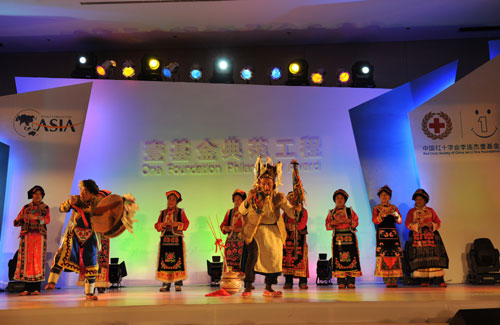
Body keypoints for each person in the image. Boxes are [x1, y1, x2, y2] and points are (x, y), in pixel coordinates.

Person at [238, 157, 294, 297]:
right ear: (259, 184)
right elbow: (241, 211)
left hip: (274, 232)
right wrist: (247, 201)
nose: (266, 187)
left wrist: (296, 208)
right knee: (253, 256)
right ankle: (248, 286)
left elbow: (291, 213)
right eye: (263, 184)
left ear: (273, 184)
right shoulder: (254, 196)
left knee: (274, 257)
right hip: (255, 231)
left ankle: (268, 287)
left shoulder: (278, 197)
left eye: (269, 184)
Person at [45, 179, 102, 300]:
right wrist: (69, 204)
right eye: (81, 190)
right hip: (74, 233)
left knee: (91, 262)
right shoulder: (76, 199)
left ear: (92, 193)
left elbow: (107, 212)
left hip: (91, 235)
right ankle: (51, 282)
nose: (82, 193)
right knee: (63, 253)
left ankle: (89, 293)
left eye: (85, 191)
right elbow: (62, 208)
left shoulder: (97, 202)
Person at [405, 189, 449, 287]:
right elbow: (407, 223)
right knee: (421, 258)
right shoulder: (412, 211)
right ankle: (423, 280)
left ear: (425, 200)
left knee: (435, 257)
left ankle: (438, 280)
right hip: (418, 238)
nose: (418, 201)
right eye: (417, 199)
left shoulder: (431, 210)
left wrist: (431, 224)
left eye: (420, 199)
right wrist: (417, 226)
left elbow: (438, 222)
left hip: (431, 237)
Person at [13, 185, 50, 296]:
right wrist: (19, 218)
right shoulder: (26, 207)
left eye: (39, 194)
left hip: (39, 237)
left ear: (42, 196)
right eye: (35, 194)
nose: (37, 196)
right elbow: (16, 222)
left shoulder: (45, 207)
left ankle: (36, 289)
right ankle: (27, 289)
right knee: (27, 262)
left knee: (37, 262)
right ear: (32, 195)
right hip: (27, 237)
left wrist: (36, 218)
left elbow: (47, 220)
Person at [325, 189, 362, 289]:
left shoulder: (350, 211)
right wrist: (334, 223)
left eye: (341, 198)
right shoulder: (331, 212)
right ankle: (341, 281)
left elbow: (356, 222)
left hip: (350, 237)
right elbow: (327, 226)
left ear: (345, 200)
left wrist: (348, 221)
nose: (339, 200)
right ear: (335, 200)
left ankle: (351, 281)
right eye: (337, 198)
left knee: (352, 258)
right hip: (338, 239)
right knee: (338, 259)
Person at [76, 189, 112, 292]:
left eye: (102, 198)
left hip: (103, 238)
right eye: (98, 197)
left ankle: (100, 284)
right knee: (89, 259)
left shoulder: (108, 211)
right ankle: (89, 285)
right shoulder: (88, 208)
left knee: (101, 260)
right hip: (91, 237)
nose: (100, 199)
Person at [155, 190, 189, 292]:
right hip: (165, 240)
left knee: (177, 261)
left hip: (176, 239)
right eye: (169, 199)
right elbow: (156, 225)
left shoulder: (180, 212)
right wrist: (162, 225)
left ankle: (178, 283)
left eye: (173, 199)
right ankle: (166, 283)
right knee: (165, 261)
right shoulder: (163, 213)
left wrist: (177, 224)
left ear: (177, 201)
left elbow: (186, 224)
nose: (171, 201)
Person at [372, 185, 403, 288]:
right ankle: (386, 279)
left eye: (386, 195)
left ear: (389, 197)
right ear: (379, 197)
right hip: (382, 235)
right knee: (384, 255)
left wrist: (395, 214)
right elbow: (375, 221)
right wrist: (382, 215)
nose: (384, 196)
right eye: (382, 195)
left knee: (394, 255)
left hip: (393, 234)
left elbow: (399, 221)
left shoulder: (394, 208)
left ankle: (394, 279)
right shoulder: (377, 208)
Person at [282, 192, 309, 289]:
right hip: (288, 239)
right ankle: (288, 282)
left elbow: (302, 224)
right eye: (290, 199)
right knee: (287, 260)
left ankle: (303, 282)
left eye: (293, 199)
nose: (291, 201)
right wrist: (285, 226)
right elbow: (281, 223)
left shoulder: (303, 211)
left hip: (299, 239)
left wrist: (293, 227)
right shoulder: (285, 212)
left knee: (301, 260)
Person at [220, 189, 247, 273]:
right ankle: (232, 279)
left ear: (243, 200)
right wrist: (225, 228)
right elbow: (222, 225)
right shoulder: (230, 212)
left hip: (243, 241)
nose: (236, 201)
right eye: (235, 199)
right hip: (231, 242)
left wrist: (238, 229)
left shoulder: (247, 212)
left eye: (238, 199)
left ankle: (246, 281)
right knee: (230, 263)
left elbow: (250, 227)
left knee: (243, 261)